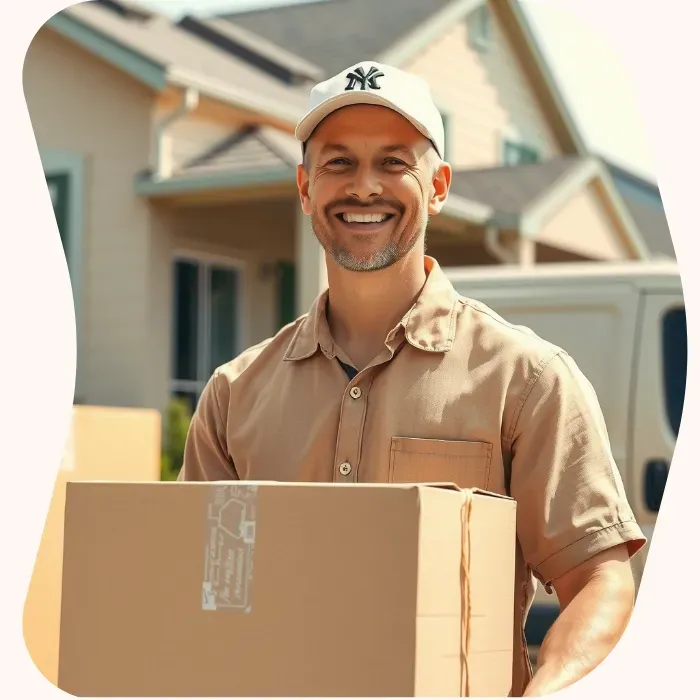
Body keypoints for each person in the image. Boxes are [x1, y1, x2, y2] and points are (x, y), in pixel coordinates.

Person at [178, 60, 646, 697]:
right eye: (338, 162)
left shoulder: (526, 379)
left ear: (439, 185)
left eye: (394, 162)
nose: (364, 187)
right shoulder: (235, 394)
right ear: (304, 187)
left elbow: (599, 580)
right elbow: (202, 588)